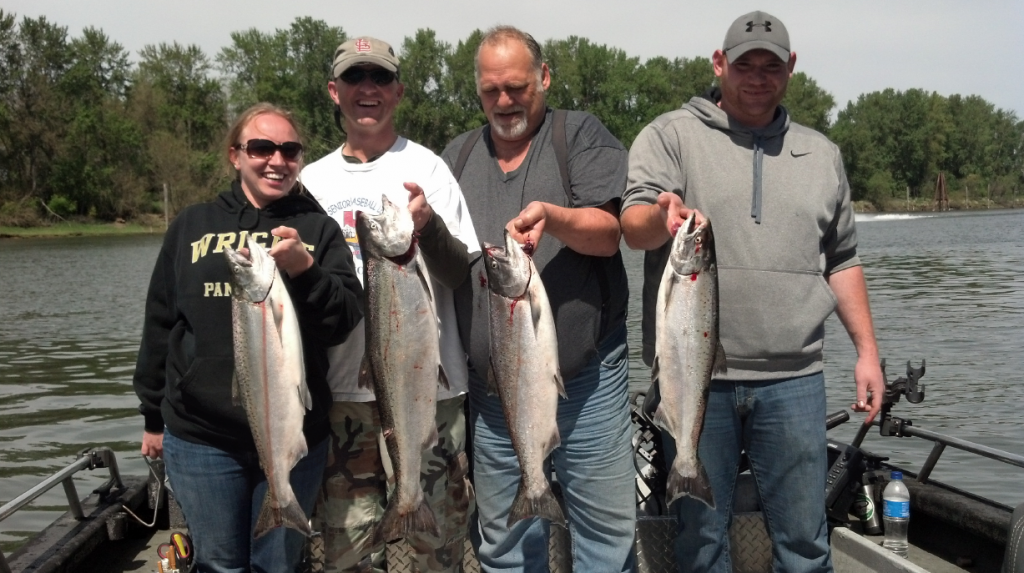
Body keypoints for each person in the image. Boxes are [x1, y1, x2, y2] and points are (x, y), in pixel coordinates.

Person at [620, 11, 885, 573]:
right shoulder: (670, 135)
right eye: (745, 65)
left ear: (790, 69)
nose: (757, 77)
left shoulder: (821, 155)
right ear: (720, 64)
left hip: (795, 381)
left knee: (805, 542)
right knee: (700, 543)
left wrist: (867, 353)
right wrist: (660, 216)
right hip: (695, 385)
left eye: (771, 66)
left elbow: (842, 260)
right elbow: (633, 222)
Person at [133, 102, 363, 573]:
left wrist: (305, 269)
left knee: (277, 566)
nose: (276, 160)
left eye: (289, 150)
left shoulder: (318, 228)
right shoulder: (191, 224)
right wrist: (152, 416)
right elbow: (160, 323)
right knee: (218, 564)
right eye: (261, 148)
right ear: (235, 155)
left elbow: (343, 320)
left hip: (293, 435)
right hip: (202, 437)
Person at [440, 26, 635, 573]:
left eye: (518, 87)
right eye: (491, 90)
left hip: (589, 385)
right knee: (503, 545)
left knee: (605, 537)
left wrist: (554, 218)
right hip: (493, 393)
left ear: (544, 79)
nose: (505, 101)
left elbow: (609, 231)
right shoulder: (454, 159)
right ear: (477, 92)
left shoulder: (579, 137)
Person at [301, 36, 479, 573]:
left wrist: (430, 228)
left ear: (398, 92)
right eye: (355, 79)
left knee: (439, 548)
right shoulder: (311, 180)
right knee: (349, 550)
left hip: (432, 392)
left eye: (379, 79)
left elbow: (460, 273)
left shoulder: (429, 169)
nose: (367, 90)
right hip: (343, 392)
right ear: (335, 91)